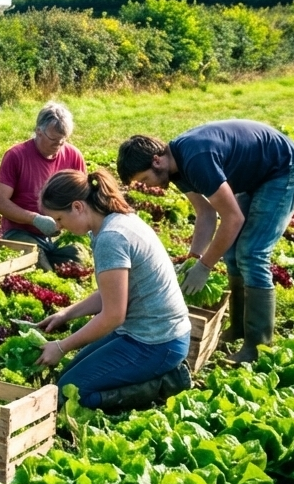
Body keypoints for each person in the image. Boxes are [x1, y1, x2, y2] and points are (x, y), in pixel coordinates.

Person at [117, 120, 294, 363]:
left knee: (252, 253)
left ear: (156, 160)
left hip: (284, 170)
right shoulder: (176, 169)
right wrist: (193, 260)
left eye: (144, 179)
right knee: (230, 254)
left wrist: (205, 267)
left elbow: (232, 219)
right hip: (257, 175)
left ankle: (258, 347)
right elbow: (206, 214)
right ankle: (238, 328)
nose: (147, 187)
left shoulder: (197, 160)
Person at [35, 169, 193, 410]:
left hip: (158, 341)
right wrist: (67, 313)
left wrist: (61, 346)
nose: (59, 227)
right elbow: (114, 293)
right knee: (65, 382)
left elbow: (113, 316)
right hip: (142, 332)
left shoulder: (112, 237)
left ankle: (163, 384)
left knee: (68, 397)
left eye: (59, 218)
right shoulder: (116, 221)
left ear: (78, 207)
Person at [0, 102, 86, 271]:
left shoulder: (73, 156)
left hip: (59, 234)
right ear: (38, 131)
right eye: (54, 139)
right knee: (40, 266)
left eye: (63, 140)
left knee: (80, 257)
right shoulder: (16, 156)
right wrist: (35, 219)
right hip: (22, 233)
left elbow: (84, 198)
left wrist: (64, 222)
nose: (59, 144)